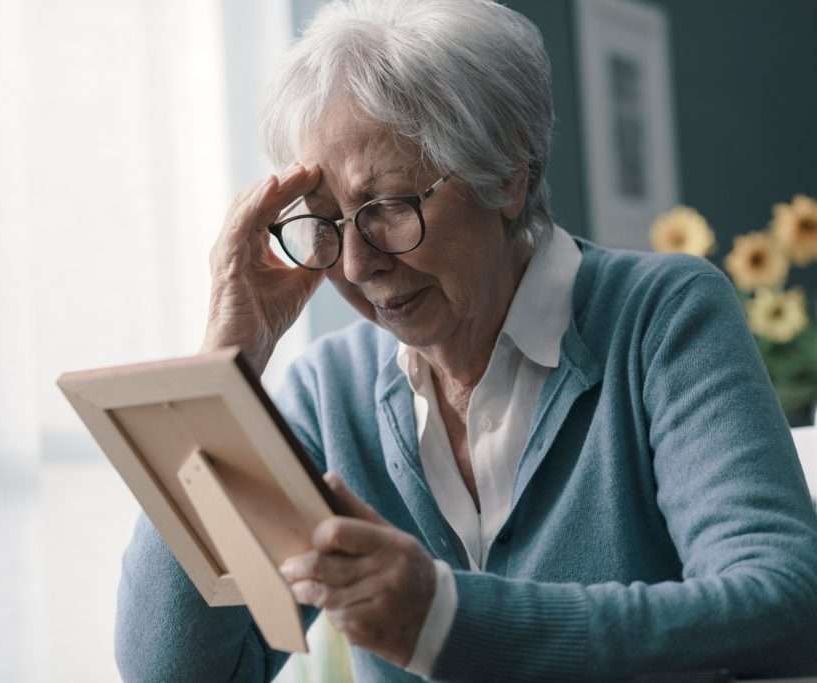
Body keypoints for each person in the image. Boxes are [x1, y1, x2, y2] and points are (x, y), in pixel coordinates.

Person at [115, 1, 817, 681]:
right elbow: (175, 670)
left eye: (387, 207)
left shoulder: (660, 318)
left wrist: (445, 618)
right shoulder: (329, 391)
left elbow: (786, 606)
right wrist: (220, 373)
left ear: (509, 174)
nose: (356, 266)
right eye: (326, 221)